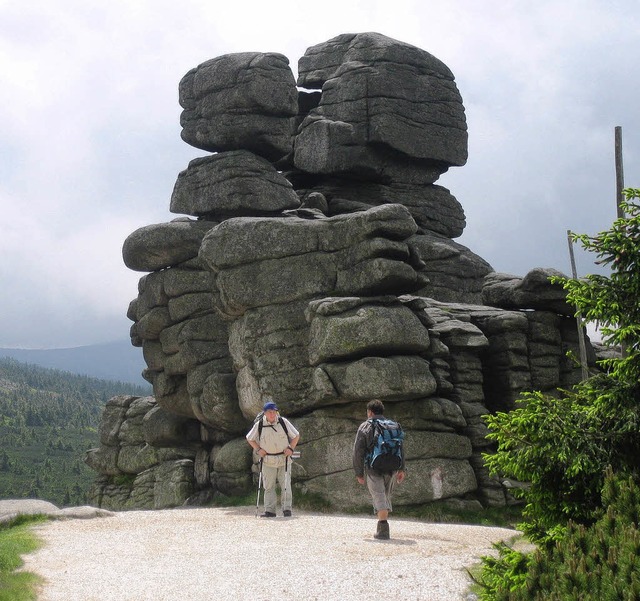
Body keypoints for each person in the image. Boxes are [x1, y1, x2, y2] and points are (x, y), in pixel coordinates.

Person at [353, 399, 406, 540]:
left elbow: (358, 451)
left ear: (370, 412)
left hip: (373, 467)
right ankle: (382, 526)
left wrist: (359, 473)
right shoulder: (393, 426)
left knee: (379, 496)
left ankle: (383, 529)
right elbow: (400, 447)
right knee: (385, 495)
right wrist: (401, 469)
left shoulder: (365, 426)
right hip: (393, 467)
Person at [246, 400, 300, 518]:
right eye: (269, 412)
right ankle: (270, 511)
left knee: (285, 485)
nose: (272, 414)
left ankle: (287, 509)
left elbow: (296, 435)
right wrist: (258, 449)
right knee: (268, 486)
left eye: (274, 412)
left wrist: (291, 448)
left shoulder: (283, 422)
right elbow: (249, 438)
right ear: (265, 413)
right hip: (267, 460)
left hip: (283, 459)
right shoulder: (259, 424)